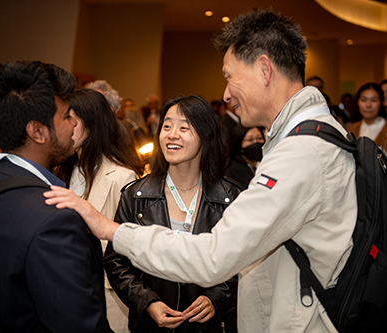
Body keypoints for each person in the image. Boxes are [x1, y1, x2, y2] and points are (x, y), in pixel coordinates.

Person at [44, 9, 357, 333]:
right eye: (167, 126)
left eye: (229, 76)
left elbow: (215, 256)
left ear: (264, 69)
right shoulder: (309, 136)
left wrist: (110, 230)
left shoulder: (300, 153)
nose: (226, 94)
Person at [0, 61, 110, 332]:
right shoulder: (53, 218)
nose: (74, 123)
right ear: (37, 131)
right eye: (66, 116)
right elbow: (80, 324)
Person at [104, 95, 240, 333]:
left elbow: (245, 262)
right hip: (151, 325)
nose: (172, 134)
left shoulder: (229, 197)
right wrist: (148, 302)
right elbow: (116, 262)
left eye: (183, 127)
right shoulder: (136, 195)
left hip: (210, 327)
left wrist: (216, 299)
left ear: (206, 135)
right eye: (166, 126)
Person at [55, 88, 142, 333]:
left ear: (92, 124)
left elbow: (128, 244)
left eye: (71, 120)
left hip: (106, 291)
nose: (65, 128)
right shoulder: (62, 170)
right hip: (67, 286)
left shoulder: (122, 176)